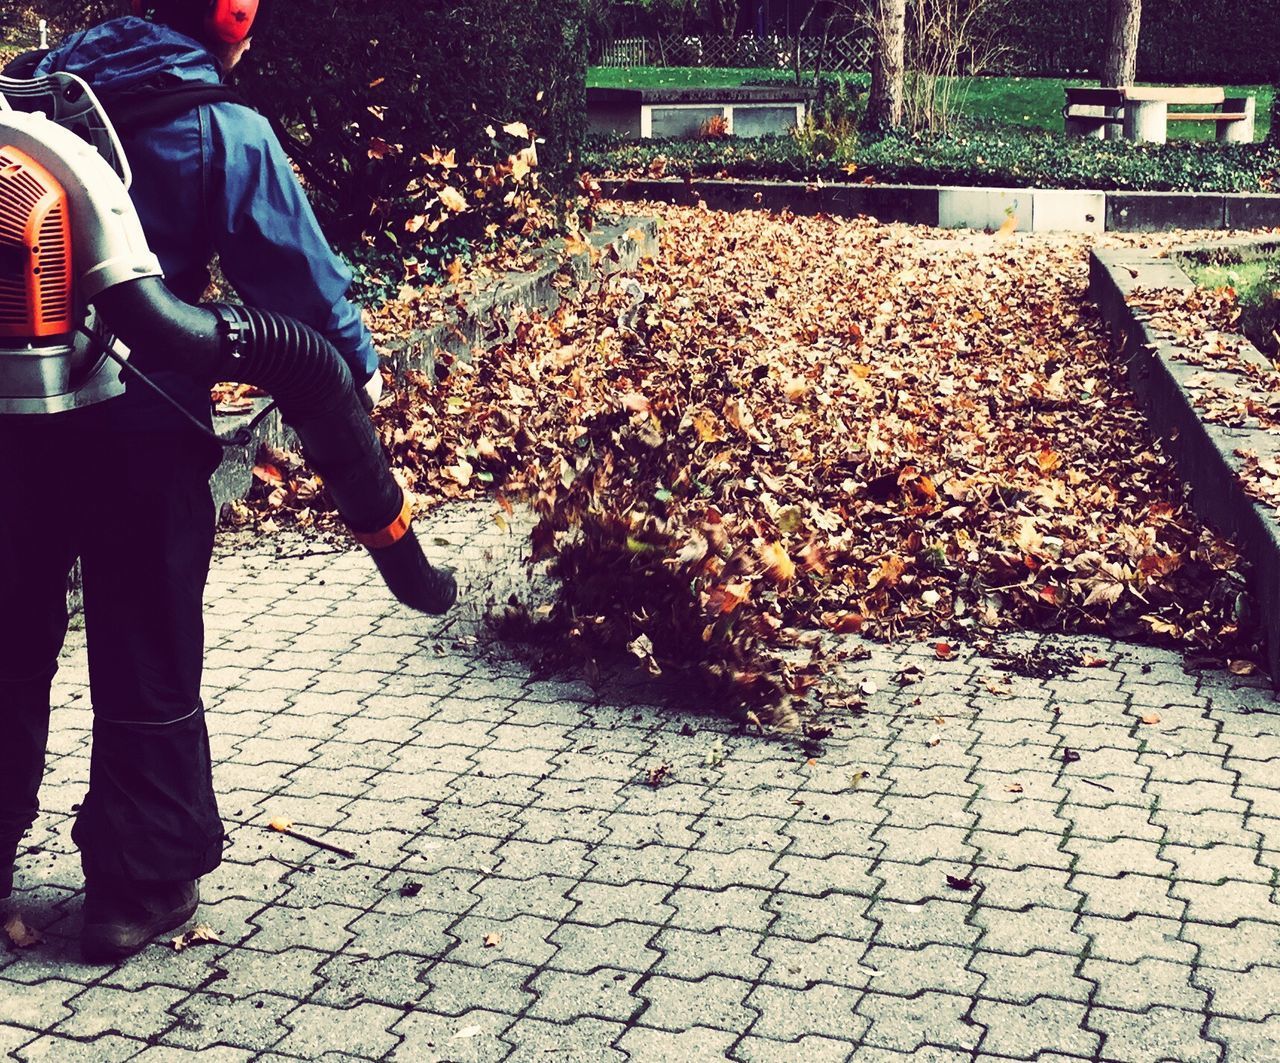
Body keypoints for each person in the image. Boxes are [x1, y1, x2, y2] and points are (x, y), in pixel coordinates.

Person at [0, 0, 381, 962]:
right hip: (144, 423)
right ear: (233, 22)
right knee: (147, 644)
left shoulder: (33, 94)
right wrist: (353, 382)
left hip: (12, 423)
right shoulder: (220, 127)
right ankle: (136, 886)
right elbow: (299, 287)